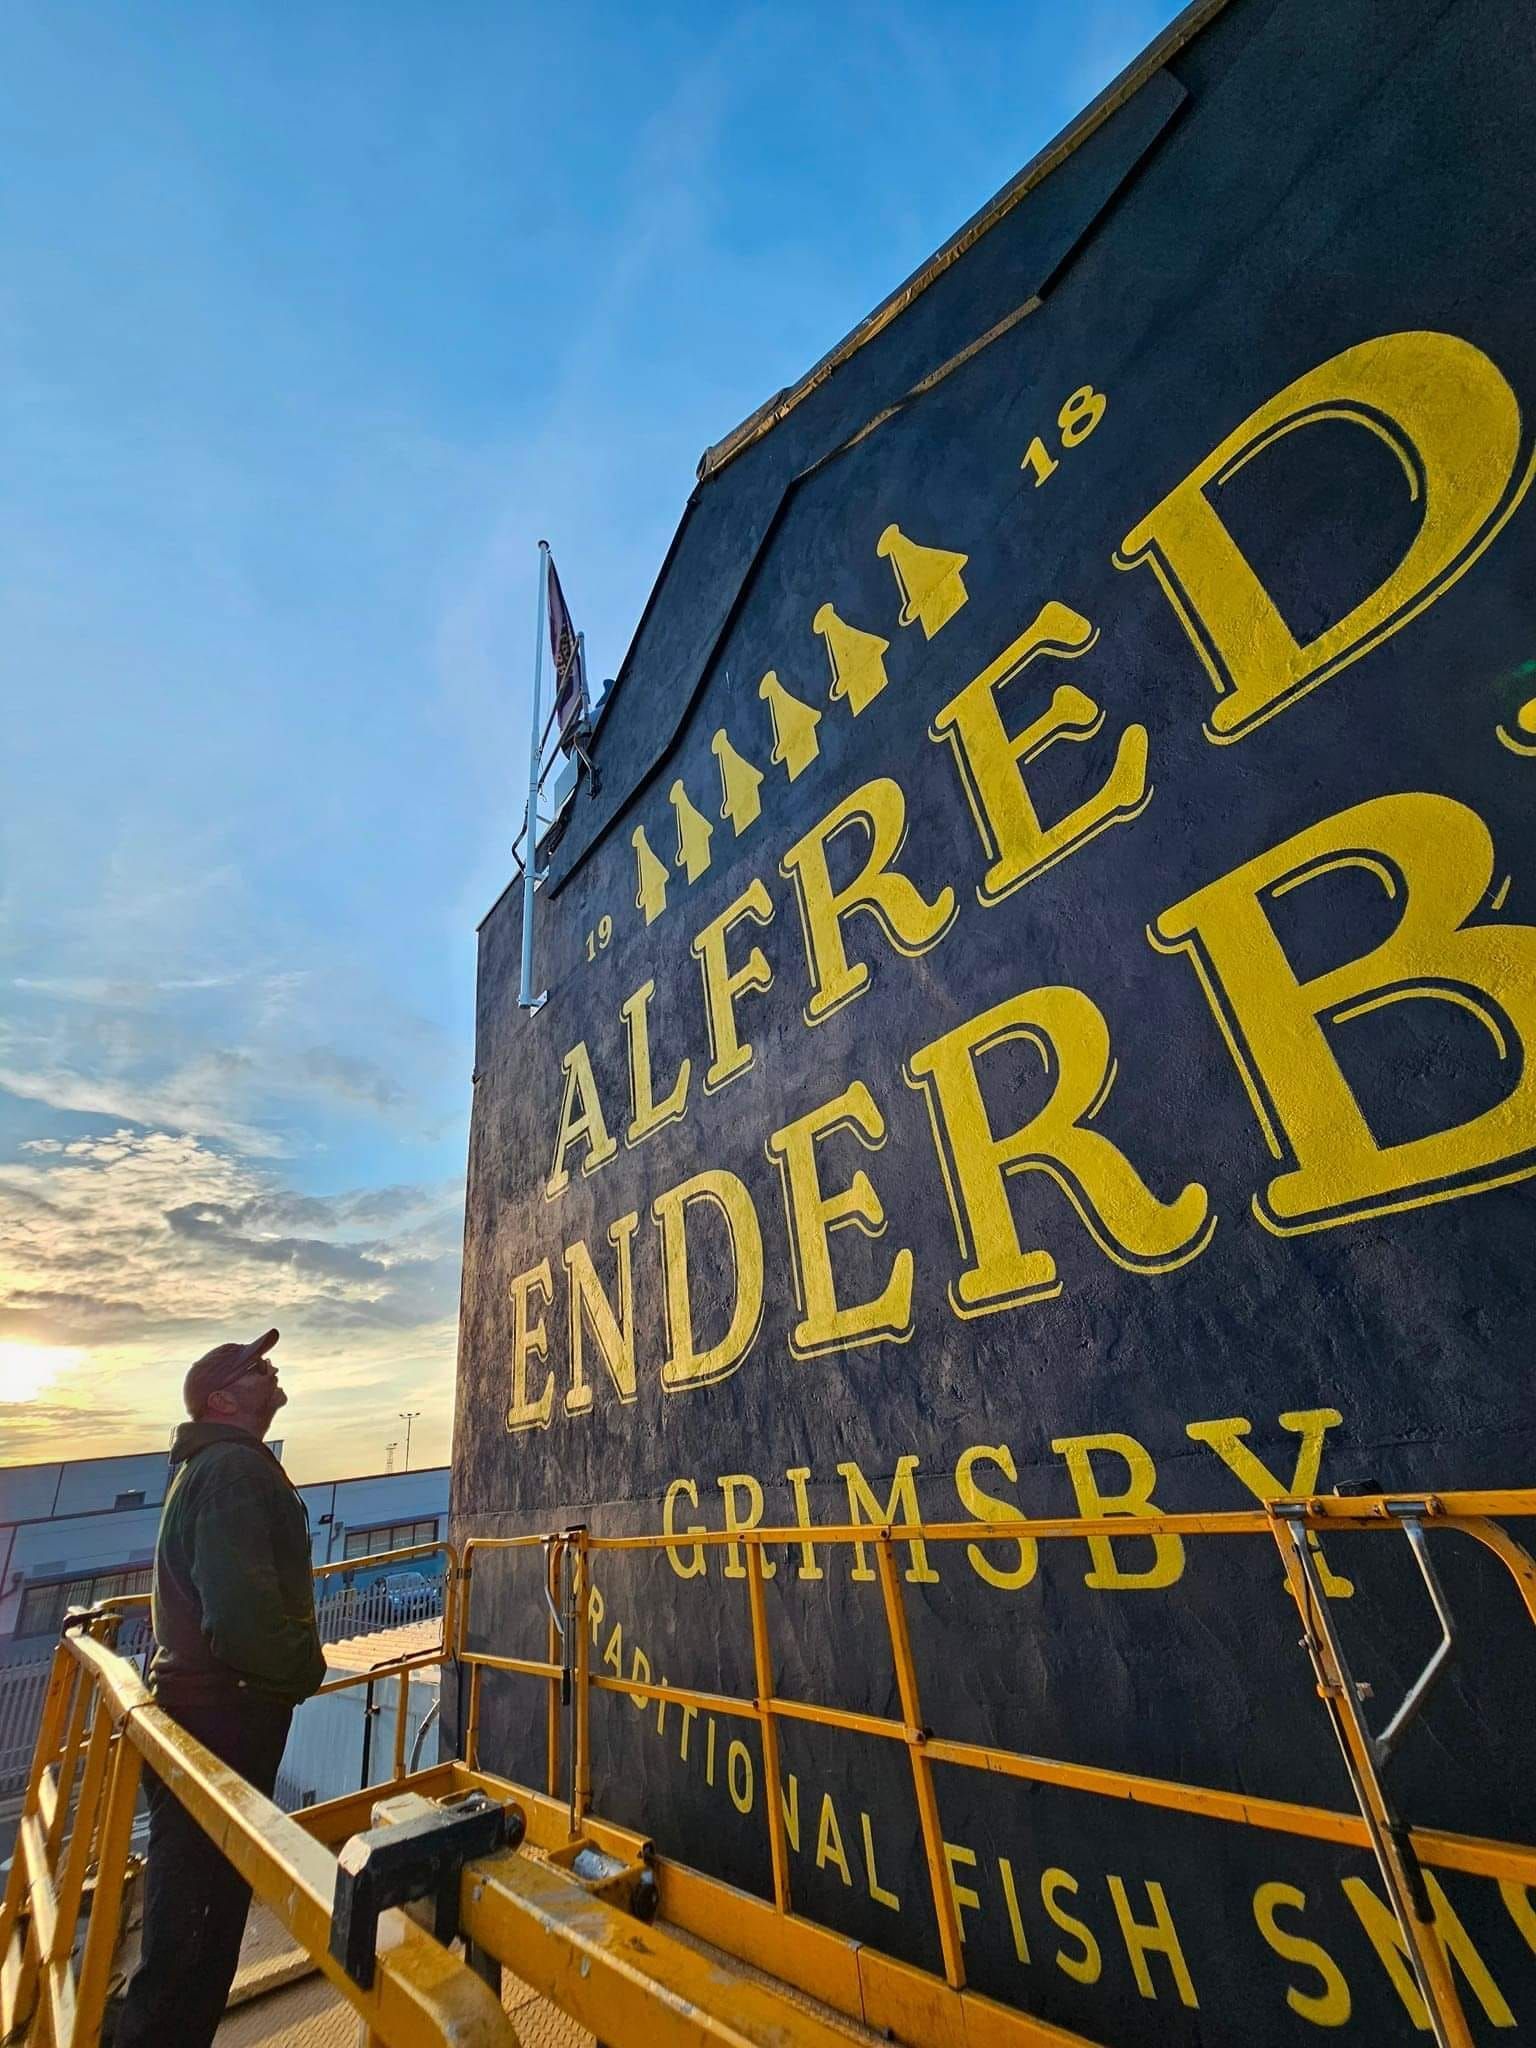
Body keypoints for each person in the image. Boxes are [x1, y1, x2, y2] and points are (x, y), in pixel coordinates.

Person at [114, 1328, 327, 2048]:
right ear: (220, 1399)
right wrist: (303, 1671)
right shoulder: (233, 1471)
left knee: (189, 1921)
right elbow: (241, 1616)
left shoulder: (216, 1467)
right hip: (223, 1718)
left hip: (205, 1711)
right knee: (195, 1935)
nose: (269, 1369)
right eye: (252, 1367)